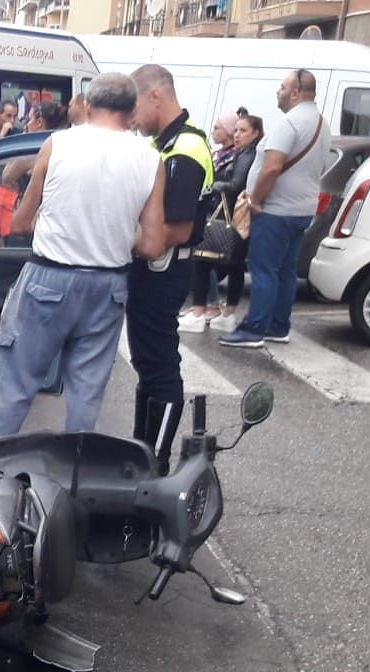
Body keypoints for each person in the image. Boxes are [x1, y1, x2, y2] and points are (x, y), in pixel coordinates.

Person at [0, 73, 168, 442]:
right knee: (86, 398)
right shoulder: (150, 158)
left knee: (13, 388)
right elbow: (152, 246)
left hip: (49, 281)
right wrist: (115, 233)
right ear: (131, 111)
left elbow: (20, 223)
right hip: (108, 288)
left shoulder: (57, 145)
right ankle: (75, 480)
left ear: (89, 106)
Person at [127, 64, 214, 474]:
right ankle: (141, 453)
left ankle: (154, 463)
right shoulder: (168, 143)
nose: (131, 116)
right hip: (154, 271)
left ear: (156, 96)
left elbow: (175, 229)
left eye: (135, 105)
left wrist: (132, 238)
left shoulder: (186, 148)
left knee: (160, 367)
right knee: (147, 365)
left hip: (163, 271)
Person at [218, 69, 330, 349]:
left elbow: (272, 167)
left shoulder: (289, 123)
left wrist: (255, 199)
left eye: (282, 87)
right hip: (302, 209)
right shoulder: (320, 123)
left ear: (295, 92)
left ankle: (254, 328)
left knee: (263, 270)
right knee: (285, 271)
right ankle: (279, 326)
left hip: (275, 211)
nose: (277, 92)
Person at [180, 113, 263, 333]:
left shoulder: (248, 155)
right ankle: (227, 312)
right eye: (235, 130)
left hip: (233, 214)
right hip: (236, 216)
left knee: (204, 259)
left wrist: (214, 185)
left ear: (255, 133)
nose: (237, 135)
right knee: (231, 265)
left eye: (243, 131)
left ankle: (200, 311)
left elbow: (236, 184)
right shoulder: (243, 154)